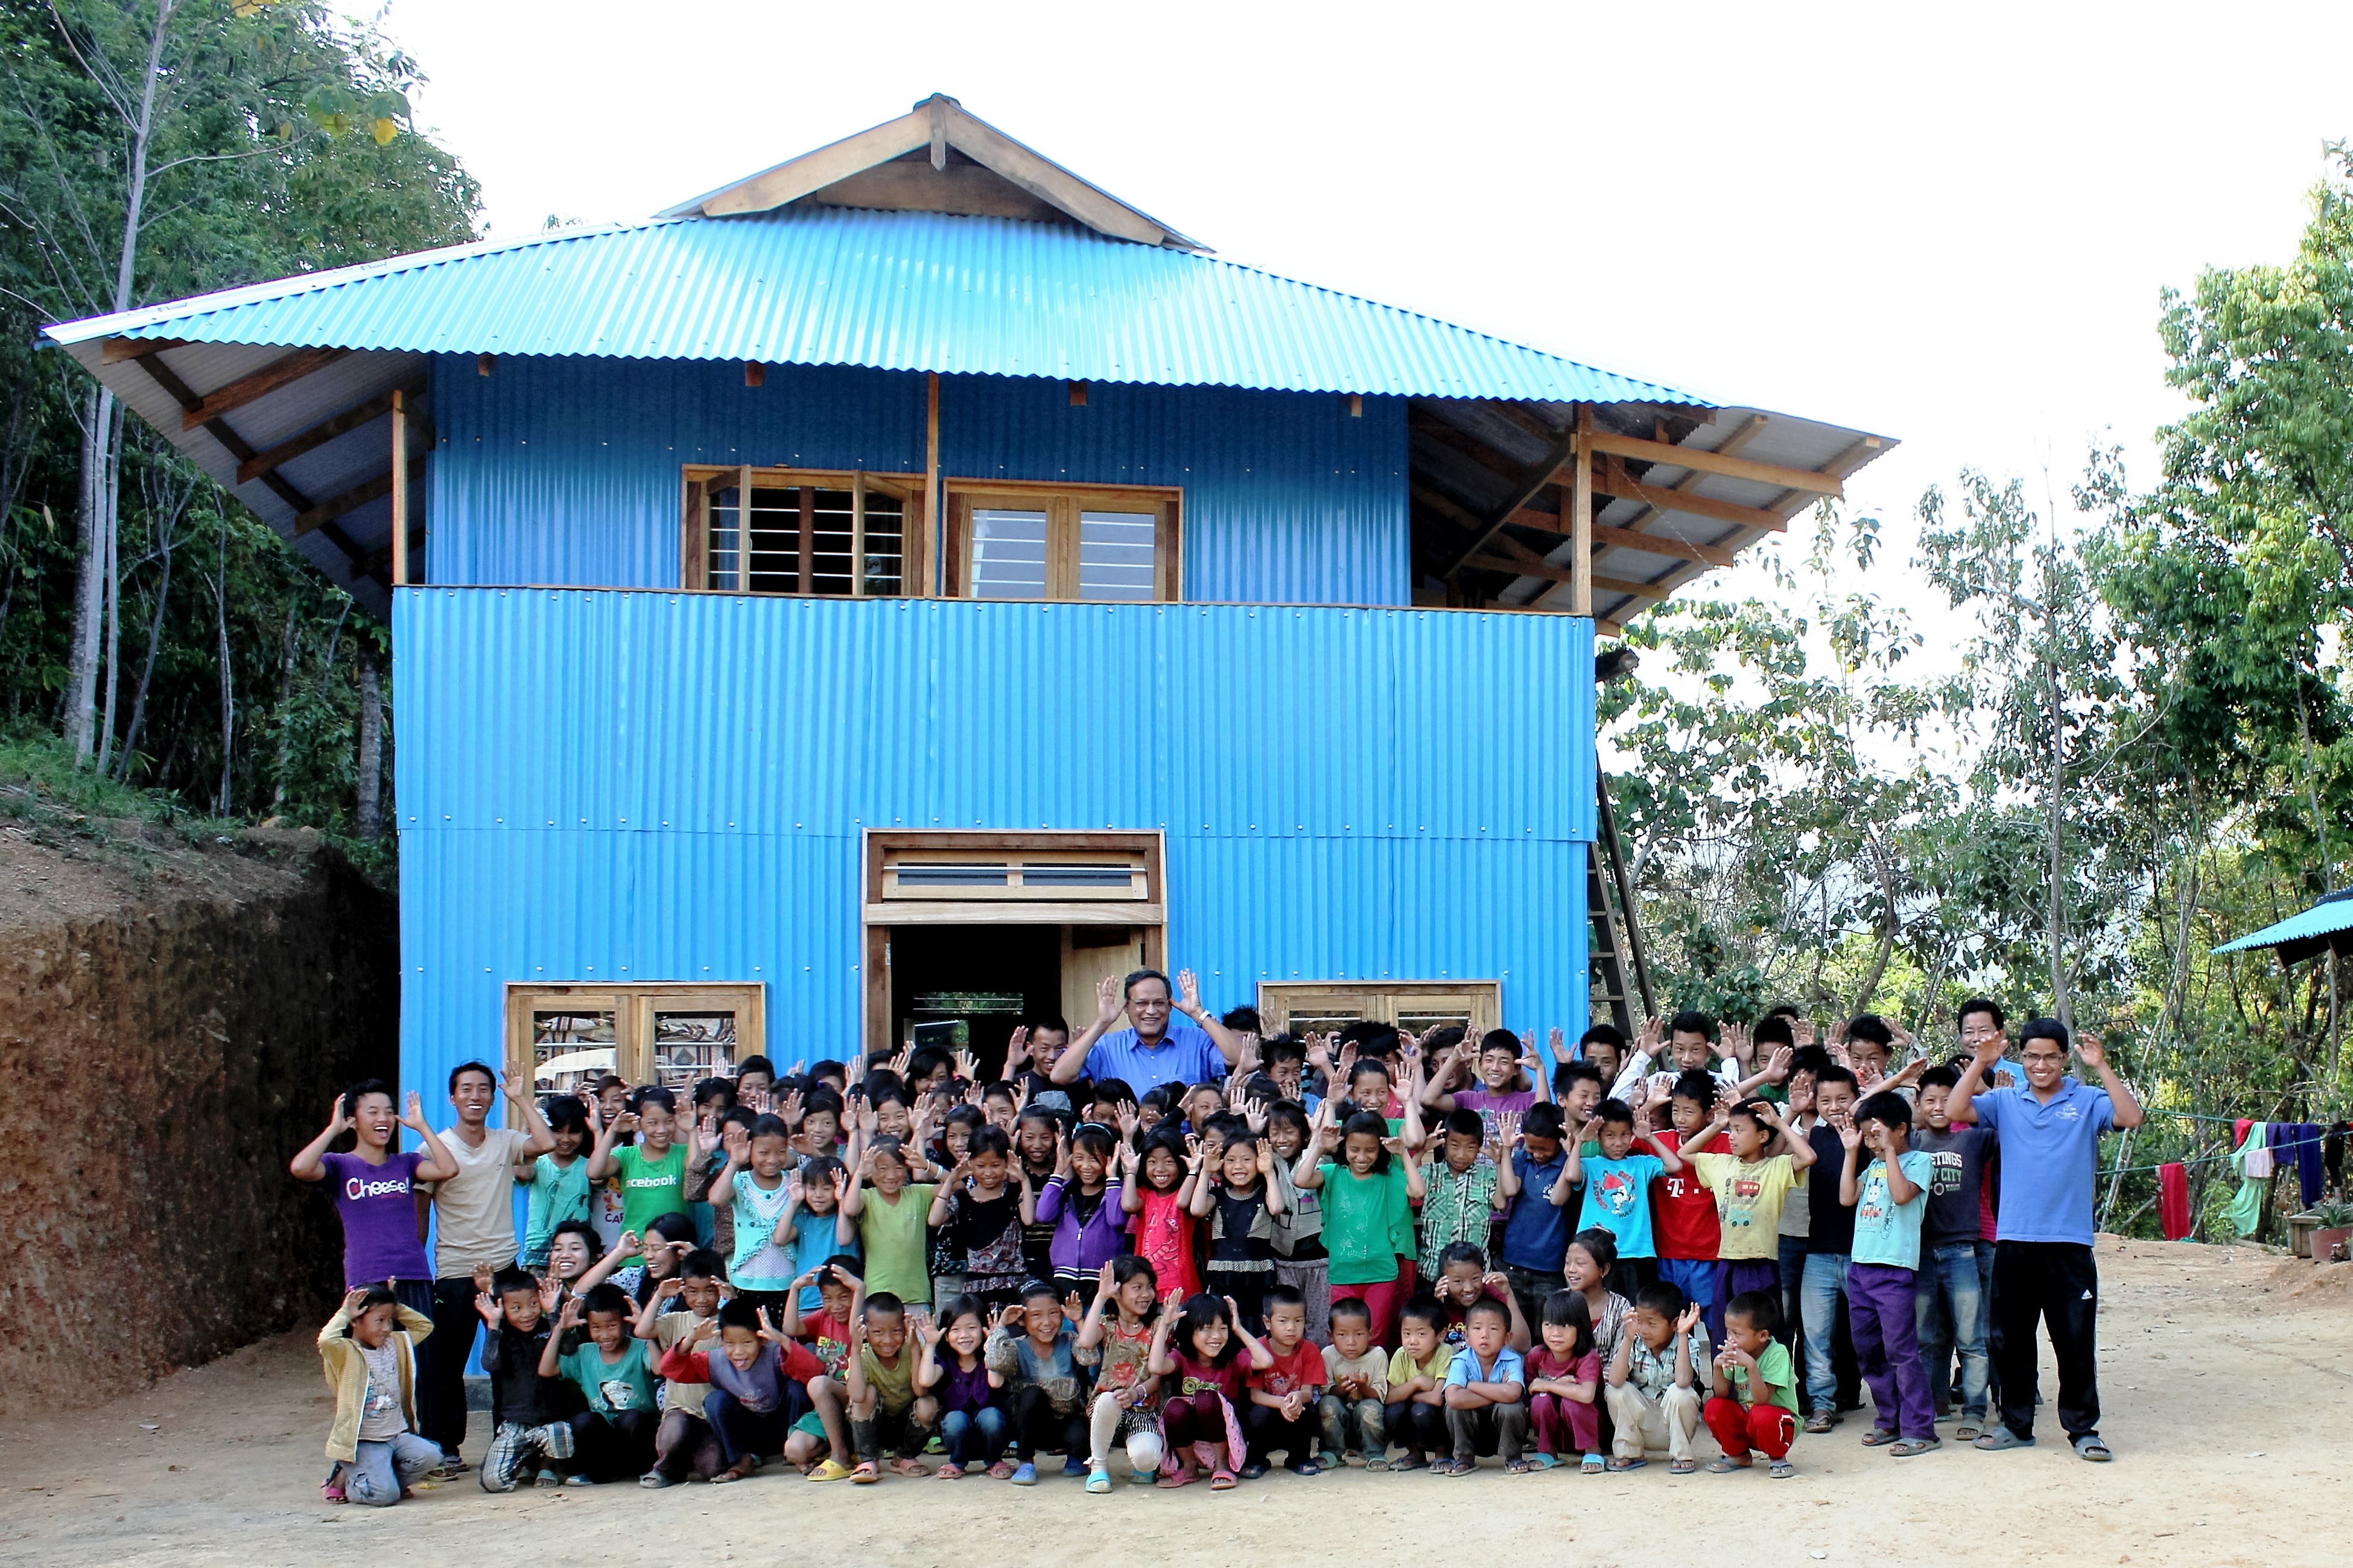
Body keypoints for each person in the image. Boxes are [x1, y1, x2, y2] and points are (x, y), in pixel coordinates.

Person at [1948, 1016, 2141, 1462]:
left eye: (2050, 1056)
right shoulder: (2004, 1100)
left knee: (2074, 1340)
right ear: (2022, 1057)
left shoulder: (2088, 1099)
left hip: (2069, 1244)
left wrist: (2103, 1067)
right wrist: (1980, 1062)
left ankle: (2083, 1430)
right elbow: (1957, 1110)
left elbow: (2131, 1116)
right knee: (2010, 1339)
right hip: (2014, 1240)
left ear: (2064, 1057)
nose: (2040, 1064)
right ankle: (2016, 1424)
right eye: (2032, 1056)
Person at [419, 1061, 555, 1471]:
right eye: (466, 1089)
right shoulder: (434, 1149)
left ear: (492, 1097)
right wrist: (415, 1267)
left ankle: (510, 1441)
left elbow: (545, 1142)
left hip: (504, 1270)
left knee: (511, 1362)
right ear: (452, 1097)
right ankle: (446, 1447)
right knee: (447, 1364)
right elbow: (419, 1215)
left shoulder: (505, 1140)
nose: (475, 1096)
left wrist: (520, 1096)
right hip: (455, 1271)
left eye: (484, 1089)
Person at [290, 1082, 458, 1310]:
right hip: (366, 1278)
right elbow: (300, 1168)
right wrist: (332, 1129)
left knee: (416, 1346)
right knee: (374, 1346)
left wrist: (422, 1126)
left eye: (389, 1112)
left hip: (413, 1274)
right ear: (353, 1121)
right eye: (373, 1112)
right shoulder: (340, 1165)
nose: (383, 1119)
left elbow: (449, 1170)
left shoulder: (407, 1163)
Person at [1837, 1090, 1938, 1456]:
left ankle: (1920, 1428)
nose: (1871, 1141)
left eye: (1877, 1133)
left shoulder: (1919, 1161)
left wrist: (1891, 1152)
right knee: (1867, 1349)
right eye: (1867, 1135)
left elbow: (1901, 1196)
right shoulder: (1872, 1165)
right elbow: (1847, 1198)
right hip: (1861, 1268)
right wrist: (1852, 1153)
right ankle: (1889, 1419)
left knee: (1901, 1350)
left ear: (1901, 1129)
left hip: (1895, 1270)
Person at [662, 1298, 854, 1483]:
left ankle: (798, 1457)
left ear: (761, 1339)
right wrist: (691, 1340)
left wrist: (782, 1340)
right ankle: (742, 1460)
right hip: (750, 1432)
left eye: (747, 1343)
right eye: (730, 1344)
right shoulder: (714, 1361)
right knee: (715, 1400)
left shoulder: (775, 1352)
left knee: (796, 1390)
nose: (738, 1352)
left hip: (784, 1426)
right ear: (722, 1341)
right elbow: (670, 1369)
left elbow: (815, 1371)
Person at [1683, 1094, 1815, 1359]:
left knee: (1762, 1333)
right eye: (1731, 1129)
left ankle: (1765, 1392)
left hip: (1762, 1264)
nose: (1731, 1136)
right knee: (1725, 1331)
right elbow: (1684, 1152)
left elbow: (1808, 1156)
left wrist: (1779, 1121)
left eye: (1739, 1130)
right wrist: (1716, 1125)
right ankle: (1729, 1395)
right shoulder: (1721, 1164)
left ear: (1763, 1136)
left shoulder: (1776, 1168)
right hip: (1727, 1263)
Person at [1294, 1104, 1425, 1345]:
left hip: (1381, 1272)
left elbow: (1418, 1190)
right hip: (1343, 1272)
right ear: (1344, 1147)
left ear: (1380, 1150)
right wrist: (1320, 1145)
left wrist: (1403, 1153)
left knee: (1375, 1335)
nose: (1362, 1157)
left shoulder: (1389, 1177)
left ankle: (1374, 1383)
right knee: (1343, 1338)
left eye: (1370, 1151)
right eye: (1354, 1149)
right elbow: (1301, 1180)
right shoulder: (1333, 1173)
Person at [1912, 1062, 1994, 1437]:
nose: (1939, 1106)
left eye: (1948, 1099)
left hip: (1963, 1251)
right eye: (1930, 1100)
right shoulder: (1912, 1143)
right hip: (1923, 1253)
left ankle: (1975, 1410)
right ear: (1918, 1104)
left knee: (1971, 1336)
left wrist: (1982, 1092)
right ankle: (1933, 1404)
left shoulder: (1975, 1139)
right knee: (1926, 1336)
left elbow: (2004, 1124)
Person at [316, 1285, 438, 1506]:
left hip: (396, 1435)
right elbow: (326, 1341)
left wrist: (394, 1306)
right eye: (379, 1320)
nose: (386, 1328)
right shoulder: (345, 1352)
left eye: (390, 1321)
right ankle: (346, 1481)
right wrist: (345, 1312)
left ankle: (382, 1480)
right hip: (365, 1441)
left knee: (432, 1455)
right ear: (356, 1321)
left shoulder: (395, 1344)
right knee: (385, 1497)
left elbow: (424, 1326)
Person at [1052, 968, 1246, 1094]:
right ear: (1127, 1006)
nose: (1151, 1011)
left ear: (1170, 1006)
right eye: (1142, 1003)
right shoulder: (1106, 1047)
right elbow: (1060, 1075)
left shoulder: (1197, 1041)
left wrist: (1198, 1013)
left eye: (1159, 1003)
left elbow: (1240, 1057)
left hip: (1185, 1149)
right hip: (1126, 1150)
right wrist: (1102, 1023)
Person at [1149, 1291, 1272, 1489]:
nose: (1216, 1336)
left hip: (1227, 1434)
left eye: (1223, 1328)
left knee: (1207, 1398)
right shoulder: (1181, 1358)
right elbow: (1156, 1367)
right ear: (1190, 1331)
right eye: (1207, 1329)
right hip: (1193, 1436)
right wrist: (1164, 1324)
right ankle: (1189, 1467)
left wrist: (1238, 1328)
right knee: (1175, 1408)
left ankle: (1223, 1466)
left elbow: (1265, 1361)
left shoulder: (1234, 1358)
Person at [1797, 1064, 1862, 1432]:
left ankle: (1890, 1403)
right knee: (1816, 1338)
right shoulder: (1814, 1137)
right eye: (1825, 1100)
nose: (1835, 1106)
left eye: (1844, 1098)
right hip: (1818, 1252)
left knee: (1870, 1333)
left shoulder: (1870, 1136)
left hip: (1862, 1252)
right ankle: (1822, 1405)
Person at [539, 1283, 658, 1483]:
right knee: (584, 1421)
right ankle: (601, 1473)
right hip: (607, 1441)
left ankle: (644, 1469)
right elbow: (546, 1369)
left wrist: (646, 1332)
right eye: (596, 1327)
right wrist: (560, 1328)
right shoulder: (586, 1353)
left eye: (612, 1326)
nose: (604, 1335)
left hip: (639, 1436)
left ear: (626, 1322)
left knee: (632, 1418)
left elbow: (659, 1369)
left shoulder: (640, 1348)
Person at [1563, 1097, 1682, 1296]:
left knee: (1634, 1314)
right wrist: (1580, 1142)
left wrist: (1649, 1137)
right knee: (1594, 1309)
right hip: (1596, 1253)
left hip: (1636, 1253)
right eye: (1610, 1135)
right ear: (1598, 1137)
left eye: (1625, 1135)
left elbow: (1675, 1166)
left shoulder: (1641, 1164)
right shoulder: (1590, 1164)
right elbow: (1571, 1175)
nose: (1618, 1143)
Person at [475, 1269, 579, 1491]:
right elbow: (490, 1365)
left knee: (561, 1432)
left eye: (533, 1304)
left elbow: (570, 1349)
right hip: (517, 1423)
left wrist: (553, 1314)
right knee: (492, 1482)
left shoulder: (547, 1329)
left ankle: (548, 1465)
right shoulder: (502, 1335)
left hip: (553, 1420)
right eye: (516, 1308)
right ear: (503, 1308)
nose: (527, 1313)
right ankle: (524, 1460)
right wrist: (493, 1325)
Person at [635, 1251, 727, 1486]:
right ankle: (664, 1468)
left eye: (710, 1290)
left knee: (713, 1469)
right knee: (675, 1432)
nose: (702, 1299)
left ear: (720, 1288)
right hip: (679, 1409)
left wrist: (733, 1298)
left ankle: (685, 1461)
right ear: (683, 1291)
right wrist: (659, 1296)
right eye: (693, 1291)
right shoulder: (676, 1320)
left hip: (710, 1417)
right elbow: (642, 1331)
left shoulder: (728, 1321)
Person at [986, 1284, 1092, 1484]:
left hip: (1063, 1424)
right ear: (1022, 1320)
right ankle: (1026, 1462)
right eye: (1036, 1316)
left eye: (1053, 1313)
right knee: (1032, 1394)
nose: (1046, 1322)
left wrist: (1078, 1320)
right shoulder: (1015, 1346)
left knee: (1083, 1425)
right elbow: (995, 1364)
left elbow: (1090, 1358)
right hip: (1028, 1427)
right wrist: (1001, 1328)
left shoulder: (1069, 1340)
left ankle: (1076, 1459)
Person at [1075, 1256, 1165, 1491]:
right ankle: (1099, 1468)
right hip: (1106, 1409)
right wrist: (1101, 1296)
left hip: (1142, 1408)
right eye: (1137, 1288)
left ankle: (1142, 1463)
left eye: (1149, 1287)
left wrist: (1136, 1393)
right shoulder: (1108, 1324)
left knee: (1147, 1460)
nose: (1146, 1294)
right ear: (1118, 1293)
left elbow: (1157, 1375)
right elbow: (1085, 1341)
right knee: (1108, 1399)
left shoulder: (1158, 1326)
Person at [1647, 1070, 1724, 1340]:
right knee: (1671, 1327)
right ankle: (1680, 1382)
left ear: (1709, 1113)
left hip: (1710, 1256)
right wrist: (1650, 1104)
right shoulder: (1661, 1141)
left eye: (1689, 1112)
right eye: (1676, 1110)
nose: (1680, 1118)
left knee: (1718, 1327)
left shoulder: (1725, 1144)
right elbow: (1627, 1131)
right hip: (1669, 1255)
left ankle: (1722, 1380)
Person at [1604, 1282, 1707, 1474]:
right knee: (1615, 1390)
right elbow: (1616, 1381)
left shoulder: (1688, 1344)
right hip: (1642, 1423)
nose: (1643, 1330)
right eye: (1640, 1321)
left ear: (1674, 1324)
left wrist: (1683, 1336)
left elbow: (1684, 1381)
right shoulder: (1635, 1342)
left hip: (1673, 1426)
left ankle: (1681, 1454)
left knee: (1681, 1393)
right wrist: (1627, 1338)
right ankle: (1630, 1452)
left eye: (1652, 1324)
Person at [930, 1124, 1034, 1312]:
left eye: (995, 1165)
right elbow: (934, 1219)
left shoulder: (1013, 1194)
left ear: (1006, 1162)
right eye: (980, 1166)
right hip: (976, 1287)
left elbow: (1028, 1219)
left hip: (1012, 1285)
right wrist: (951, 1182)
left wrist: (1024, 1180)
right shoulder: (963, 1199)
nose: (988, 1173)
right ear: (969, 1163)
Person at [1493, 1101, 1574, 1332]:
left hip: (1551, 1269)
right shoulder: (1521, 1159)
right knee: (1513, 1327)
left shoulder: (1566, 1166)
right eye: (1532, 1147)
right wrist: (1507, 1151)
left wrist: (1571, 1154)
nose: (1537, 1154)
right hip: (1513, 1263)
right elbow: (1509, 1191)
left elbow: (1563, 1193)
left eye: (1545, 1149)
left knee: (1545, 1330)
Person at [1704, 1289, 1799, 1478]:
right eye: (1728, 1331)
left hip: (1777, 1424)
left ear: (1762, 1336)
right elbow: (1721, 1394)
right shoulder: (1736, 1351)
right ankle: (1739, 1455)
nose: (1730, 1339)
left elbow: (1763, 1400)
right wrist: (1717, 1367)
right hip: (1749, 1421)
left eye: (1737, 1333)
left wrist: (1751, 1365)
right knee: (1714, 1407)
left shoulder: (1777, 1353)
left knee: (1762, 1414)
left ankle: (1777, 1457)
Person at [840, 1135, 942, 1308]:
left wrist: (927, 1165)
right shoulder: (868, 1197)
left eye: (898, 1168)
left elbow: (955, 1187)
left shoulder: (918, 1194)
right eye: (882, 1168)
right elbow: (849, 1208)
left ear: (907, 1167)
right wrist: (859, 1173)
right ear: (871, 1170)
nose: (891, 1175)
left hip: (916, 1294)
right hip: (878, 1293)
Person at [1196, 1126, 1282, 1332]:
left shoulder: (1265, 1194)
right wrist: (1206, 1170)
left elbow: (1277, 1207)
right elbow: (1197, 1209)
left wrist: (1269, 1172)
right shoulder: (1218, 1195)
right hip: (1222, 1278)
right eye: (1231, 1160)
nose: (1239, 1166)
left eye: (1246, 1159)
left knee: (1256, 1330)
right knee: (1222, 1326)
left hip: (1257, 1279)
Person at [846, 1291, 934, 1478]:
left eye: (896, 1331)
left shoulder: (911, 1348)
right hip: (874, 1427)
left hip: (905, 1427)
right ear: (865, 1331)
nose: (887, 1340)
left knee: (929, 1404)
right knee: (867, 1394)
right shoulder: (863, 1355)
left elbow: (920, 1391)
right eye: (878, 1332)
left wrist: (915, 1348)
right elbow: (857, 1396)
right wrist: (855, 1348)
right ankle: (868, 1460)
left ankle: (904, 1457)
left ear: (905, 1327)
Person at [918, 1296, 1008, 1479]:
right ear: (946, 1334)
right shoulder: (945, 1361)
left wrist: (993, 1344)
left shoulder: (987, 1358)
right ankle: (957, 1462)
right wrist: (930, 1344)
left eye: (972, 1328)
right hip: (957, 1436)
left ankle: (994, 1461)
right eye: (956, 1330)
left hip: (991, 1436)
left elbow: (996, 1382)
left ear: (984, 1329)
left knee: (991, 1416)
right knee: (955, 1419)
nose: (964, 1335)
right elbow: (926, 1380)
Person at [1439, 1296, 1529, 1474]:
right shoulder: (1460, 1360)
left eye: (1494, 1329)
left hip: (1501, 1432)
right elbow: (1454, 1398)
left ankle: (1513, 1457)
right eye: (1477, 1328)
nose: (1484, 1335)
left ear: (1507, 1337)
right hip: (1472, 1430)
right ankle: (1464, 1458)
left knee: (1512, 1408)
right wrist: (1498, 1391)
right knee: (1453, 1409)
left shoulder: (1512, 1360)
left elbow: (1513, 1394)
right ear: (1466, 1335)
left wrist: (1471, 1386)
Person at [1265, 1102, 1331, 1343]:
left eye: (1290, 1132)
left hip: (1319, 1257)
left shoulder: (1320, 1157)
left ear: (1303, 1134)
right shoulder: (1268, 1160)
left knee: (1319, 1320)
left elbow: (1309, 1169)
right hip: (1284, 1257)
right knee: (1287, 1322)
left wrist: (1316, 1138)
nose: (1282, 1139)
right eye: (1275, 1133)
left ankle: (1318, 1374)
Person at [588, 1085, 691, 1241]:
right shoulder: (627, 1155)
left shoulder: (683, 1152)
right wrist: (613, 1130)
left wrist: (692, 1130)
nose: (662, 1130)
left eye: (669, 1121)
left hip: (674, 1251)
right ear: (639, 1122)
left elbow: (697, 1174)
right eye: (652, 1123)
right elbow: (594, 1172)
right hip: (633, 1251)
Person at [1243, 1283, 1326, 1476]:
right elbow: (1254, 1395)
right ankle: (1256, 1459)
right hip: (1268, 1416)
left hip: (1294, 1415)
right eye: (1283, 1321)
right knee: (1258, 1414)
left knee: (1309, 1411)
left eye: (1298, 1321)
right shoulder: (1258, 1349)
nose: (1291, 1328)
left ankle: (1299, 1457)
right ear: (1267, 1322)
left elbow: (1307, 1392)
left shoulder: (1309, 1350)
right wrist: (1282, 1403)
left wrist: (1296, 1398)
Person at [1417, 1108, 1507, 1283]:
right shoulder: (1431, 1173)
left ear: (1479, 1148)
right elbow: (1406, 1186)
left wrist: (1499, 1164)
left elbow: (1501, 1203)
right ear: (1444, 1144)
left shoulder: (1487, 1175)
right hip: (1432, 1273)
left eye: (1470, 1147)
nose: (1461, 1155)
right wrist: (1421, 1151)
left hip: (1474, 1278)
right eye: (1455, 1146)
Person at [1123, 1124, 1205, 1301]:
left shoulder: (1187, 1192)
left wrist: (1193, 1171)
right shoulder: (1144, 1195)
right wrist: (1130, 1171)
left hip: (1182, 1285)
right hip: (1147, 1286)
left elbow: (1182, 1203)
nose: (1160, 1169)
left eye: (1169, 1162)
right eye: (1152, 1162)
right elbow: (1129, 1205)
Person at [1038, 1125, 1126, 1289]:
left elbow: (1117, 1220)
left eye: (1094, 1159)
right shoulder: (1066, 1190)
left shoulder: (1116, 1191)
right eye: (1079, 1158)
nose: (1086, 1166)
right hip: (1064, 1276)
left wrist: (1112, 1177)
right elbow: (1043, 1215)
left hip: (1102, 1279)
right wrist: (1058, 1172)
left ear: (1109, 1158)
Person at [1525, 1289, 1602, 1472]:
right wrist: (1557, 1385)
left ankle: (1592, 1450)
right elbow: (1532, 1390)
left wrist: (1548, 1384)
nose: (1556, 1333)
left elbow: (1586, 1395)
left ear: (1581, 1327)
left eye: (1565, 1325)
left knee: (1572, 1401)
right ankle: (1548, 1451)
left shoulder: (1587, 1357)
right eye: (1549, 1324)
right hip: (1556, 1431)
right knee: (1541, 1399)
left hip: (1590, 1429)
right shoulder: (1536, 1356)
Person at [520, 1096, 594, 1270]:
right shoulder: (538, 1162)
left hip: (579, 1253)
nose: (565, 1139)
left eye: (574, 1132)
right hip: (538, 1251)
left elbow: (599, 1176)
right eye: (558, 1131)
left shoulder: (589, 1166)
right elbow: (522, 1172)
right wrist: (528, 1125)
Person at [1317, 1295, 1388, 1469]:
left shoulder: (1378, 1355)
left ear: (1370, 1334)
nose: (1351, 1342)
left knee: (1370, 1407)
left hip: (1368, 1424)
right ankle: (1333, 1452)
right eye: (1342, 1335)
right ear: (1331, 1336)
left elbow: (1380, 1396)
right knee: (1327, 1404)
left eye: (1359, 1334)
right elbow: (1325, 1391)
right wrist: (1342, 1389)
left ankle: (1375, 1453)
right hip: (1340, 1424)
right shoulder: (1328, 1354)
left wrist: (1363, 1387)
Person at [1383, 1297, 1453, 1471]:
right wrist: (1417, 1383)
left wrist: (1408, 1395)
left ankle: (1442, 1453)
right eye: (1407, 1334)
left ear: (1441, 1335)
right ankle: (1415, 1453)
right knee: (1394, 1412)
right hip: (1417, 1408)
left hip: (1438, 1415)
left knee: (1422, 1411)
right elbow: (1389, 1398)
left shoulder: (1445, 1352)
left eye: (1421, 1334)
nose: (1412, 1341)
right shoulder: (1401, 1355)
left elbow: (1437, 1399)